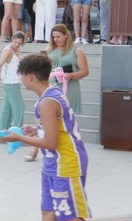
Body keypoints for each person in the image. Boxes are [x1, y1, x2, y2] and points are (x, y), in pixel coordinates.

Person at [2, 53, 127, 221]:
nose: (20, 80)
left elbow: (52, 142)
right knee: (49, 211)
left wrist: (18, 139)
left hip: (65, 164)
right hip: (55, 162)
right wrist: (35, 130)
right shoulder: (50, 95)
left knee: (67, 214)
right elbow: (55, 133)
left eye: (21, 76)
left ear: (30, 77)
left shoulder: (48, 101)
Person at [27, 25, 90, 163]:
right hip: (51, 87)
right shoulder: (49, 50)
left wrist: (71, 75)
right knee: (45, 119)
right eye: (54, 37)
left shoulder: (76, 51)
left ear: (66, 35)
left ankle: (64, 148)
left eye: (58, 37)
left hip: (69, 87)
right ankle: (35, 148)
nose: (56, 40)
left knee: (64, 119)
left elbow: (85, 71)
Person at [0, 32, 26, 131]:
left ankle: (2, 133)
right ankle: (17, 133)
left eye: (19, 43)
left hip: (13, 82)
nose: (16, 45)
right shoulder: (8, 51)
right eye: (15, 42)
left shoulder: (17, 50)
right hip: (10, 83)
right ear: (12, 39)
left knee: (6, 109)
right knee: (19, 108)